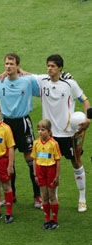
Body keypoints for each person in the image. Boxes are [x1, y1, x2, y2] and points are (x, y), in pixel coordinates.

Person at [32, 54, 90, 212]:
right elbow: (25, 75)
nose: (49, 69)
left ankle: (82, 198)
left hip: (69, 134)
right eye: (48, 66)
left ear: (60, 68)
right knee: (50, 167)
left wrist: (88, 119)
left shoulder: (70, 84)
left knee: (76, 162)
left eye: (52, 66)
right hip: (50, 136)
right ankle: (53, 199)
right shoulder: (42, 81)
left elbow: (84, 100)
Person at [0, 53, 41, 208]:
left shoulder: (27, 81)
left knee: (30, 159)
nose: (8, 66)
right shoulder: (0, 82)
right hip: (6, 123)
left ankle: (37, 196)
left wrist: (27, 72)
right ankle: (11, 194)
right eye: (6, 64)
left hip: (23, 123)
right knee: (6, 160)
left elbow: (41, 80)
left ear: (18, 66)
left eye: (12, 64)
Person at [31, 120, 61, 229]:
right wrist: (35, 174)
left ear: (49, 131)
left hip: (51, 170)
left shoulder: (54, 144)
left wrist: (57, 176)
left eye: (42, 130)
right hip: (40, 171)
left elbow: (58, 161)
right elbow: (34, 159)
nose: (40, 132)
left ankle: (55, 220)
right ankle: (47, 220)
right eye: (38, 130)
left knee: (52, 196)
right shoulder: (36, 143)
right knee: (44, 196)